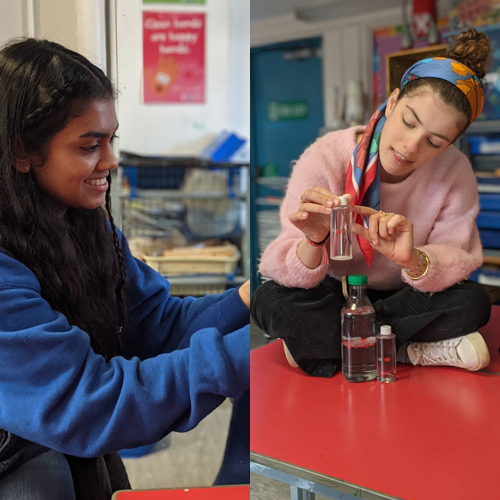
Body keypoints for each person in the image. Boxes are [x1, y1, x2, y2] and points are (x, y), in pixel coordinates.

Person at [0, 38, 250, 499]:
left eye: (111, 139)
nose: (111, 160)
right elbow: (90, 402)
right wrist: (245, 357)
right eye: (89, 145)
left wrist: (256, 298)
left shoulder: (87, 229)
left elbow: (154, 324)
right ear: (21, 152)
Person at [251, 28, 493, 378]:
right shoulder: (325, 157)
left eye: (435, 142)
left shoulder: (455, 172)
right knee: (270, 300)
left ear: (451, 144)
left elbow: (458, 258)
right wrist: (314, 241)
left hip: (404, 296)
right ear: (392, 102)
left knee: (473, 302)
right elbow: (278, 264)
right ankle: (407, 349)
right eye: (408, 122)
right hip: (336, 294)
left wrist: (414, 259)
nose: (411, 146)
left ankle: (327, 348)